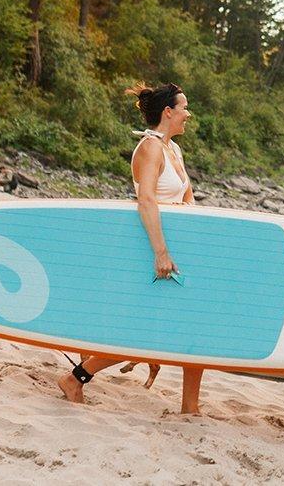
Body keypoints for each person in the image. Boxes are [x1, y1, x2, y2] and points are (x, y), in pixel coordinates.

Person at [57, 82, 205, 414]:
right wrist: (161, 252)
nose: (188, 114)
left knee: (193, 326)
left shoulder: (174, 150)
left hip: (178, 249)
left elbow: (187, 197)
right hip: (152, 249)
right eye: (184, 108)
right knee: (146, 333)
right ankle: (76, 377)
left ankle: (190, 408)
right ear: (168, 113)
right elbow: (147, 200)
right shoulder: (149, 148)